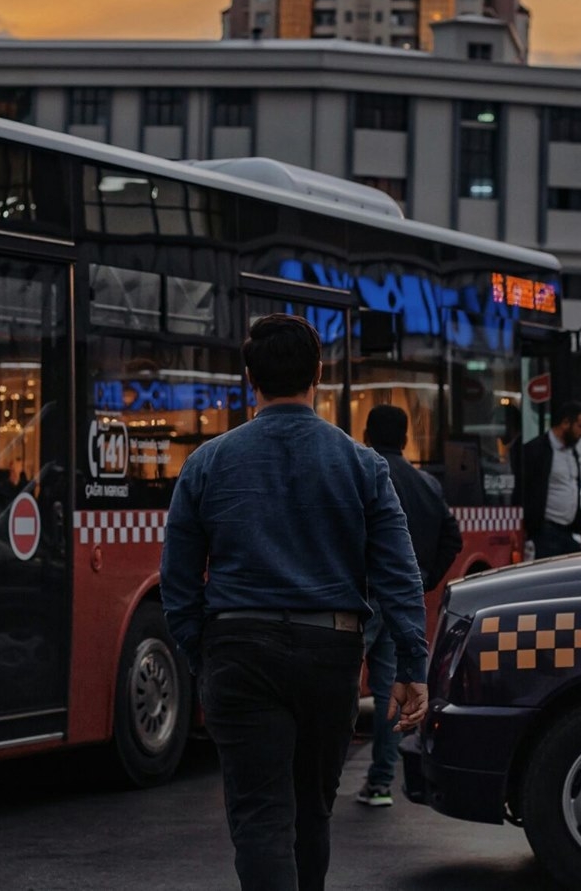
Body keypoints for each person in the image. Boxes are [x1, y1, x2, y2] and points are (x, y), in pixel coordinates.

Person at [161, 315, 429, 891]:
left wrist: (202, 655)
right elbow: (398, 575)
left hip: (237, 646)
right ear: (319, 375)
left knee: (260, 816)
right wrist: (412, 666)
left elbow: (178, 582)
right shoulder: (362, 464)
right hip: (329, 650)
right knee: (313, 807)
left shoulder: (206, 463)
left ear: (249, 378)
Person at [355, 404, 462, 809]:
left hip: (363, 593)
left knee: (343, 678)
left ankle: (321, 779)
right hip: (403, 598)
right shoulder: (426, 484)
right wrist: (425, 579)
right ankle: (381, 782)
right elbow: (453, 538)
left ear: (367, 433)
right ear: (405, 439)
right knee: (388, 691)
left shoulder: (363, 472)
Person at [514, 401, 581, 559]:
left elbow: (571, 491)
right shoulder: (537, 450)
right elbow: (525, 490)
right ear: (565, 423)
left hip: (566, 529)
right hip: (545, 529)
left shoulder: (571, 453)